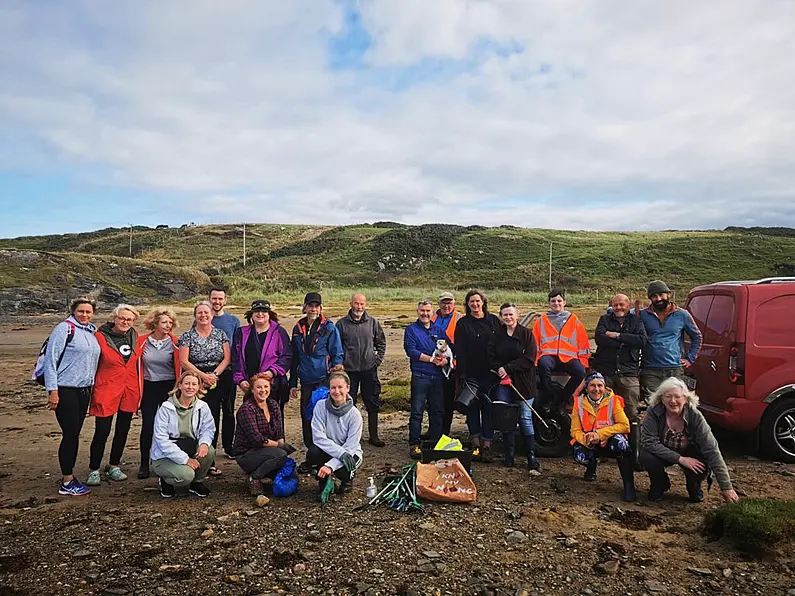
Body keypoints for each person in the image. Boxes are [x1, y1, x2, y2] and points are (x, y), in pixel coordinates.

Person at [639, 377, 739, 503]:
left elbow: (711, 449)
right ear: (661, 399)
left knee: (701, 465)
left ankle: (694, 486)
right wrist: (680, 459)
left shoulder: (695, 416)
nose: (673, 401)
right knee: (647, 456)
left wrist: (726, 487)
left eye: (677, 396)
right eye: (668, 396)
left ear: (685, 399)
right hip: (663, 451)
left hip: (689, 451)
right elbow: (649, 442)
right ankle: (659, 484)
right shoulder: (653, 412)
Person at [43, 297, 101, 496]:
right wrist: (53, 390)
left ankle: (69, 476)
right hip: (65, 389)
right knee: (70, 434)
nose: (84, 315)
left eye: (88, 312)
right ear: (73, 311)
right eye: (81, 311)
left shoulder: (91, 332)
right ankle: (67, 481)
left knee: (74, 432)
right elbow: (50, 361)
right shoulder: (64, 329)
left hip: (84, 390)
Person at [86, 304, 142, 486]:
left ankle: (114, 465)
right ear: (114, 318)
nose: (125, 322)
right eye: (122, 318)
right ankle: (94, 469)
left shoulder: (135, 336)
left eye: (129, 319)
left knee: (123, 430)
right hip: (107, 388)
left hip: (129, 389)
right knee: (102, 431)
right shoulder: (99, 337)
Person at [592, 293, 647, 470]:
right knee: (602, 413)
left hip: (628, 372)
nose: (619, 307)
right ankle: (603, 452)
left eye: (622, 304)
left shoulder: (636, 321)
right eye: (615, 305)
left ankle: (634, 454)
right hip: (606, 372)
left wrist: (616, 336)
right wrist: (626, 340)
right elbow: (600, 338)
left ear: (628, 305)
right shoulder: (604, 319)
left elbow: (641, 341)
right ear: (611, 305)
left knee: (631, 412)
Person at [178, 300, 231, 477]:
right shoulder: (187, 336)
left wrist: (214, 375)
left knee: (217, 417)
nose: (203, 315)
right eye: (200, 313)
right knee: (200, 420)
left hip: (219, 378)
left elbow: (226, 358)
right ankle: (198, 459)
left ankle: (211, 459)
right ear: (195, 315)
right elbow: (184, 361)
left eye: (206, 313)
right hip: (195, 381)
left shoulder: (220, 334)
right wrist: (202, 376)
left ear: (211, 315)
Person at [488, 303, 541, 474]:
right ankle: (508, 455)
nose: (508, 318)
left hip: (524, 382)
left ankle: (531, 456)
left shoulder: (527, 334)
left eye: (511, 314)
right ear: (501, 317)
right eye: (505, 315)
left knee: (525, 418)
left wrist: (509, 368)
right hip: (504, 382)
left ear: (517, 316)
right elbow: (491, 355)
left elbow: (530, 358)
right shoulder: (497, 335)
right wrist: (499, 370)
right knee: (506, 418)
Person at [289, 292, 344, 453]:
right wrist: (293, 383)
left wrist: (334, 378)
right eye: (310, 306)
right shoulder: (298, 329)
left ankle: (327, 451)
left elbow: (337, 354)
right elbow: (295, 358)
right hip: (306, 380)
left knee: (324, 416)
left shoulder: (329, 328)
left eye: (316, 306)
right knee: (307, 416)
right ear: (305, 307)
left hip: (324, 380)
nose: (313, 309)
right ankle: (311, 450)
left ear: (320, 308)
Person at [570, 372, 636, 501]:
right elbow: (575, 430)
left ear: (604, 386)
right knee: (579, 454)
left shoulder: (613, 400)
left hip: (609, 441)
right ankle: (591, 468)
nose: (596, 389)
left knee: (622, 446)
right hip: (590, 442)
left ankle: (629, 485)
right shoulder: (578, 403)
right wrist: (586, 440)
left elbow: (625, 425)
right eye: (592, 385)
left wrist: (599, 434)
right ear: (587, 387)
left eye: (600, 385)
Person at [150, 371, 216, 498]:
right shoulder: (166, 408)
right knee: (186, 476)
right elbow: (161, 440)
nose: (190, 387)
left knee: (210, 450)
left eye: (194, 384)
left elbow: (208, 429)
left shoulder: (203, 406)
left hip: (189, 447)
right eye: (186, 384)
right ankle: (165, 480)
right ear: (179, 385)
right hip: (165, 454)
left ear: (198, 387)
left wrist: (204, 443)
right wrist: (185, 460)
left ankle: (197, 483)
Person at [454, 289, 501, 462]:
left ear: (483, 302)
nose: (475, 304)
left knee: (488, 409)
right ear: (467, 304)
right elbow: (460, 349)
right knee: (472, 408)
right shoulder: (463, 323)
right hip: (470, 373)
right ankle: (475, 443)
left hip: (490, 373)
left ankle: (487, 445)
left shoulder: (494, 321)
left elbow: (500, 344)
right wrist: (462, 373)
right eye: (471, 301)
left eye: (477, 301)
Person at [336, 293, 387, 447]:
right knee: (348, 404)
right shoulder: (341, 324)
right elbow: (336, 347)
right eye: (356, 303)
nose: (359, 307)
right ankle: (351, 437)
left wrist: (377, 361)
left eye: (362, 304)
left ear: (366, 305)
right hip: (349, 372)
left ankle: (374, 436)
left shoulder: (373, 323)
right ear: (350, 304)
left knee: (372, 402)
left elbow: (381, 343)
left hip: (369, 370)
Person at [135, 307, 181, 479]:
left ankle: (168, 460)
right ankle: (144, 463)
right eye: (164, 322)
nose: (168, 325)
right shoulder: (141, 341)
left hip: (169, 386)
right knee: (148, 425)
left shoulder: (175, 342)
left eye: (170, 322)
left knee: (171, 425)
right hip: (148, 386)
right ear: (154, 323)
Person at [638, 280, 703, 400]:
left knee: (674, 402)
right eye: (654, 296)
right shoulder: (643, 315)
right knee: (653, 404)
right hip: (650, 369)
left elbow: (697, 337)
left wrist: (690, 358)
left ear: (669, 294)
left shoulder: (682, 315)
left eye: (661, 295)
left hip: (674, 368)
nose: (658, 299)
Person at [233, 373, 294, 496]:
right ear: (252, 389)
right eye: (259, 387)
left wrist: (282, 446)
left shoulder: (273, 405)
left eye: (266, 387)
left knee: (291, 472)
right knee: (280, 455)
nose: (263, 390)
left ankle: (266, 472)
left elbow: (279, 432)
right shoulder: (246, 409)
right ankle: (254, 478)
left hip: (266, 451)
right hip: (246, 453)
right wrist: (279, 446)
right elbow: (256, 439)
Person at [231, 300, 292, 419]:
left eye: (264, 311)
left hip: (272, 385)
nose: (260, 314)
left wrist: (271, 372)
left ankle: (276, 438)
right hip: (250, 385)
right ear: (251, 315)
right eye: (256, 311)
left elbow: (287, 356)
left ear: (269, 314)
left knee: (274, 417)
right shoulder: (241, 333)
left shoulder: (279, 332)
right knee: (250, 418)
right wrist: (240, 380)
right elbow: (236, 359)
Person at [307, 371, 363, 497]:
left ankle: (347, 480)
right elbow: (318, 437)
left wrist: (331, 466)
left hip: (349, 452)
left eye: (340, 387)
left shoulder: (355, 415)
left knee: (345, 467)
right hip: (332, 450)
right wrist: (338, 454)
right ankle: (323, 480)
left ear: (347, 388)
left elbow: (351, 446)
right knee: (313, 452)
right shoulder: (320, 407)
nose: (336, 391)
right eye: (333, 387)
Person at [404, 299, 448, 459]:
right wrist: (431, 360)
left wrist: (446, 361)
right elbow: (411, 351)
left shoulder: (439, 329)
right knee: (417, 411)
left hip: (437, 377)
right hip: (420, 375)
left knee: (437, 411)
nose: (425, 313)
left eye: (428, 311)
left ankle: (435, 443)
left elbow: (448, 347)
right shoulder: (411, 330)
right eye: (422, 310)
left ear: (432, 312)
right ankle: (414, 444)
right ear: (418, 311)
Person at [532, 289, 590, 409]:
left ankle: (562, 399)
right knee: (543, 365)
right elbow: (534, 343)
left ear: (564, 302)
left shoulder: (574, 320)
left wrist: (583, 361)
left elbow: (583, 342)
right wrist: (536, 360)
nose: (556, 303)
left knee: (580, 372)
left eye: (559, 300)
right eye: (553, 301)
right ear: (549, 303)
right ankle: (548, 396)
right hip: (549, 357)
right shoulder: (541, 320)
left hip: (569, 358)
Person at [209, 287, 241, 460]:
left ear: (225, 300)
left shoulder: (233, 320)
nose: (217, 302)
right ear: (210, 299)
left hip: (228, 373)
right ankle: (210, 448)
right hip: (207, 375)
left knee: (228, 412)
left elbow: (237, 347)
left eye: (220, 299)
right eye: (214, 299)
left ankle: (229, 447)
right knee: (210, 413)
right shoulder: (203, 318)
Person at [432, 291, 462, 436]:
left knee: (447, 401)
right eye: (444, 302)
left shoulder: (460, 319)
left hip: (451, 367)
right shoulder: (431, 316)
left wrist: (451, 362)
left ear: (454, 304)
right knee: (431, 399)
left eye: (449, 302)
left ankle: (445, 431)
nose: (446, 305)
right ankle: (433, 430)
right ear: (439, 304)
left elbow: (463, 346)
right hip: (432, 365)